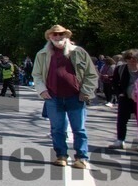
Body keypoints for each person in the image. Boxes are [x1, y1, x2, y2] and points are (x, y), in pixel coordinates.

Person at [32, 24, 98, 168]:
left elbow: (91, 74)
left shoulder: (78, 52)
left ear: (66, 36)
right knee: (57, 129)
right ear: (49, 37)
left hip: (75, 96)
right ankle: (61, 155)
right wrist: (42, 90)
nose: (57, 37)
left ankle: (81, 157)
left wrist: (85, 92)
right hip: (53, 97)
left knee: (79, 128)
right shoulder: (42, 54)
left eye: (60, 34)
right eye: (54, 34)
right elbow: (36, 75)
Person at [108, 50, 138, 152]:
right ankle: (120, 140)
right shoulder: (120, 69)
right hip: (125, 97)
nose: (132, 60)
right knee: (122, 120)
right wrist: (119, 93)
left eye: (134, 58)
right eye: (129, 58)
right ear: (126, 59)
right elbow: (115, 82)